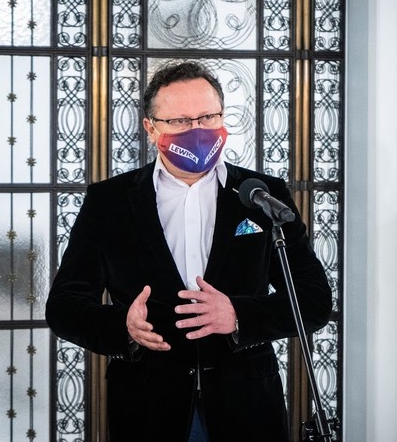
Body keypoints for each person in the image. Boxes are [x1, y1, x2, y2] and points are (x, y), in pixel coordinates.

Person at [45, 61, 332, 441]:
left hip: (247, 405)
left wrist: (239, 316)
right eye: (180, 121)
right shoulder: (109, 202)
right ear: (151, 128)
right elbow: (64, 306)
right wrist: (123, 327)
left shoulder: (262, 195)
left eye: (207, 117)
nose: (197, 130)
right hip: (147, 408)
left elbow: (314, 300)